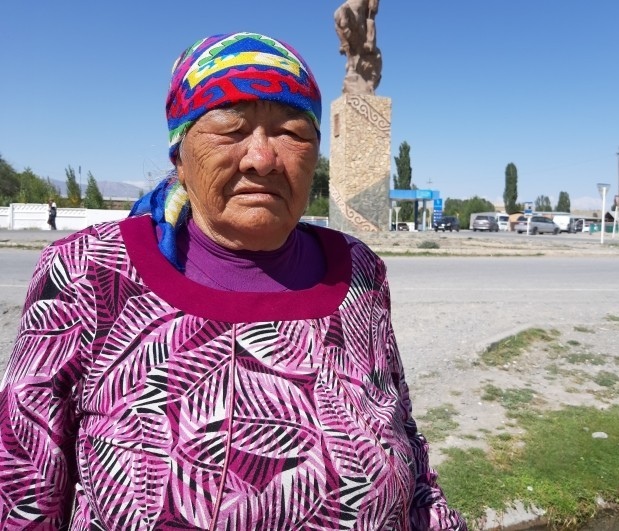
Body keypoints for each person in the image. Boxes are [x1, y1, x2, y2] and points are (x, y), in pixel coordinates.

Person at [0, 32, 466, 530]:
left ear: (314, 156)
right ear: (180, 156)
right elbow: (22, 488)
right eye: (230, 129)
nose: (261, 158)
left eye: (291, 133)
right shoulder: (89, 270)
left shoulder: (359, 272)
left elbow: (406, 443)